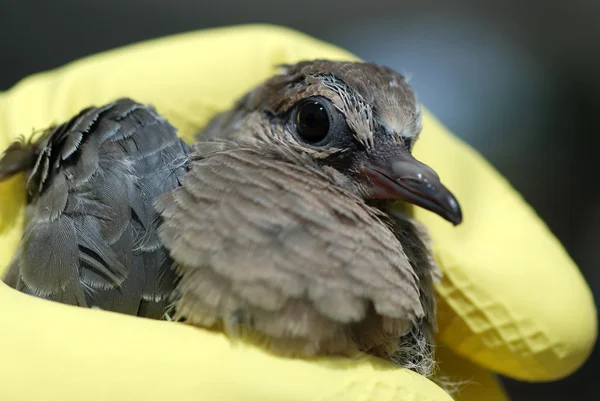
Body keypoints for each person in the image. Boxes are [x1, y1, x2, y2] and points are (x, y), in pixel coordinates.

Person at [0, 24, 595, 401]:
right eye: (315, 124)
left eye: (402, 147)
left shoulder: (396, 241)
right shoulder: (133, 172)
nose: (410, 173)